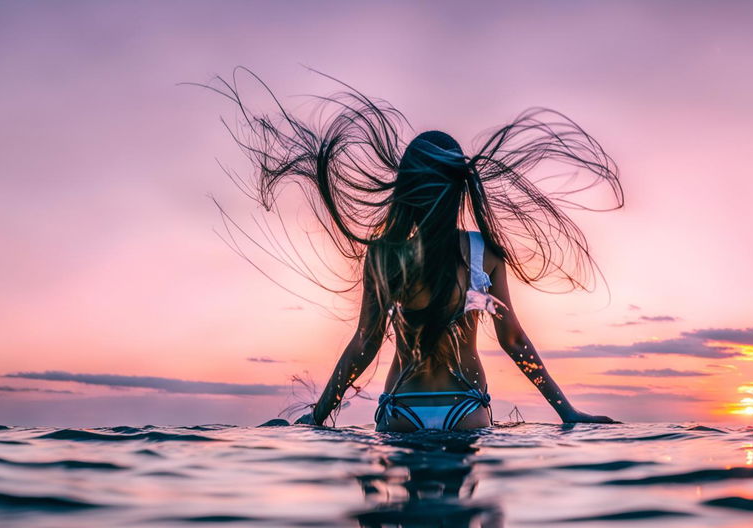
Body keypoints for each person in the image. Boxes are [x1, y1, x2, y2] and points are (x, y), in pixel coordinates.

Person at [205, 69, 624, 431]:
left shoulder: (385, 255)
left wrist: (318, 416)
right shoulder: (484, 252)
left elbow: (364, 346)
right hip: (466, 410)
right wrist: (566, 412)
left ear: (408, 188)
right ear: (458, 187)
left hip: (402, 409)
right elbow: (513, 341)